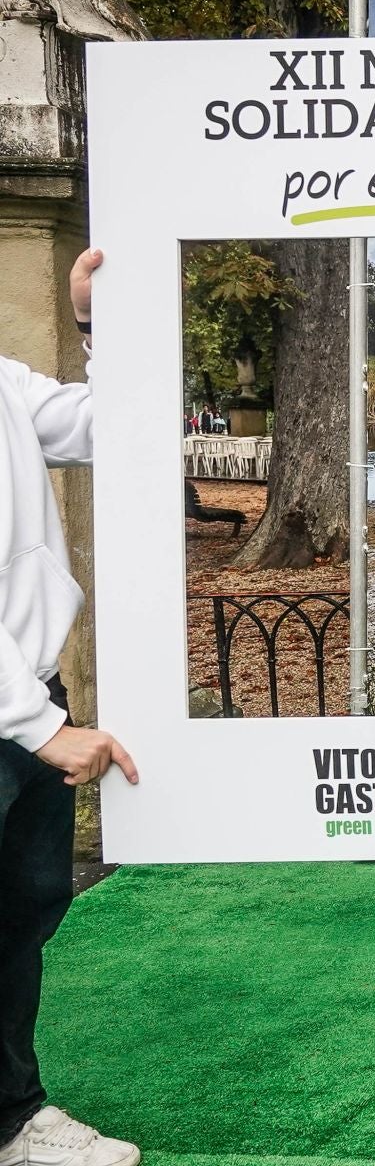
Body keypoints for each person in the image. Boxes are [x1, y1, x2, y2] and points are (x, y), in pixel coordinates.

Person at [2, 248, 141, 1166]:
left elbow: (108, 426)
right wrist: (43, 727)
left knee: (22, 913)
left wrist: (97, 321)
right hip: (21, 714)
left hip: (27, 698)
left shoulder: (5, 382)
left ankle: (14, 1117)